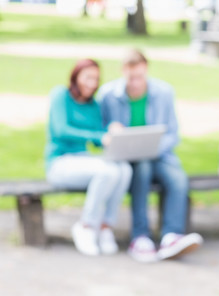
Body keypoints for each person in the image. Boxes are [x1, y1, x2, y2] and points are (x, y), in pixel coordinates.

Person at [98, 49, 203, 263]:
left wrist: (154, 147)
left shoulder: (164, 92)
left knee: (177, 178)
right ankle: (140, 237)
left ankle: (171, 236)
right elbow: (99, 133)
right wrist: (110, 132)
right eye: (131, 78)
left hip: (161, 155)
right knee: (142, 169)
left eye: (140, 77)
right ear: (123, 73)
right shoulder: (108, 96)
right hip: (129, 160)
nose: (135, 83)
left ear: (146, 72)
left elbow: (173, 133)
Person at [45, 59, 132, 257]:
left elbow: (99, 140)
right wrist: (99, 135)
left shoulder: (94, 105)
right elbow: (61, 130)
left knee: (124, 169)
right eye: (88, 77)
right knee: (107, 171)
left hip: (83, 159)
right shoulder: (61, 95)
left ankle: (104, 226)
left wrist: (111, 132)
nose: (92, 83)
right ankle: (85, 226)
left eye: (96, 79)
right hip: (60, 162)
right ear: (76, 77)